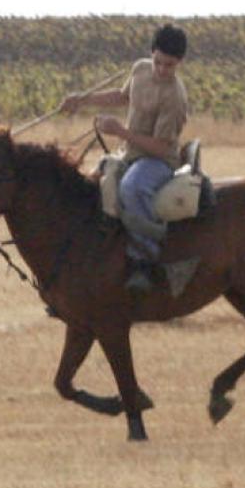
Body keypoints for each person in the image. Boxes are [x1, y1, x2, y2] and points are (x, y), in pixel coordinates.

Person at [59, 23, 192, 294]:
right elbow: (122, 96)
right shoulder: (140, 68)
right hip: (130, 152)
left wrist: (120, 131)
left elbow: (159, 148)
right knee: (94, 182)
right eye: (158, 62)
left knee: (132, 187)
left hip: (157, 161)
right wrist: (81, 100)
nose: (162, 70)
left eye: (169, 65)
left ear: (179, 62)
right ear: (151, 53)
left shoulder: (175, 97)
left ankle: (145, 263)